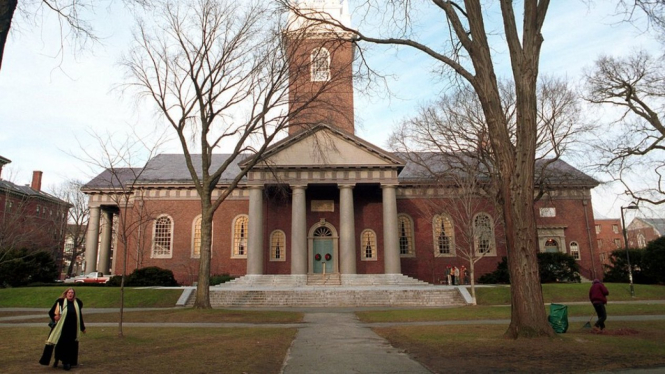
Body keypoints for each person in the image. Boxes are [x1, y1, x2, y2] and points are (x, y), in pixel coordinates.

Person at [39, 288, 86, 370]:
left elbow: (79, 316)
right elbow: (51, 312)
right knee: (61, 344)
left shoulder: (77, 303)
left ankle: (68, 361)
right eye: (69, 292)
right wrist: (55, 317)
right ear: (66, 293)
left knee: (71, 345)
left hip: (73, 328)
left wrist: (82, 327)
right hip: (62, 328)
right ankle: (62, 361)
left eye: (72, 292)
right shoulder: (60, 302)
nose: (70, 294)